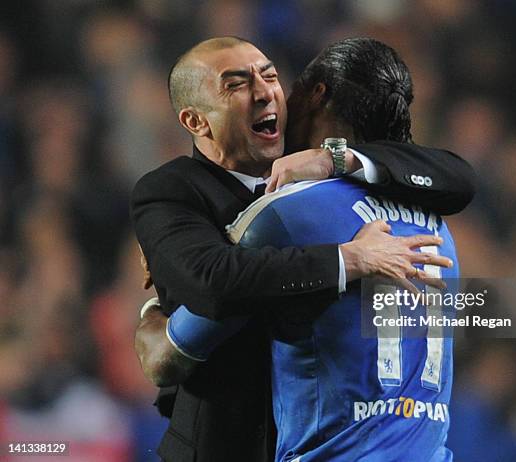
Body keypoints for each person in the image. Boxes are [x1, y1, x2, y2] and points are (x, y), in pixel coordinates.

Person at [132, 36, 474, 462]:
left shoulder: (298, 210)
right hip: (227, 446)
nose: (265, 92)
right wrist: (348, 258)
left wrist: (152, 315)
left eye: (272, 76)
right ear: (195, 121)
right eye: (237, 84)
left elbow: (165, 357)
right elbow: (214, 280)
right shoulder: (170, 190)